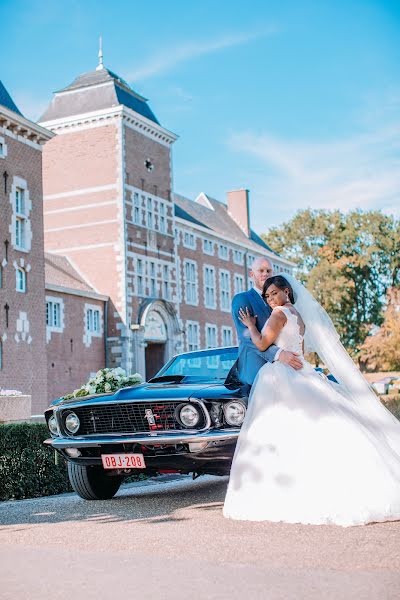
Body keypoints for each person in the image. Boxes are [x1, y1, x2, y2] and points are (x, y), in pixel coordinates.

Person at [223, 274, 400, 526]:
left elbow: (262, 344)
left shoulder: (278, 314)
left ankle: (285, 490)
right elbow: (300, 350)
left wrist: (250, 325)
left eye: (274, 293)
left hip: (283, 375)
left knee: (279, 431)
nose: (271, 299)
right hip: (303, 371)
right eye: (267, 296)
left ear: (286, 291)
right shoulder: (298, 316)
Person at [231, 258, 302, 387]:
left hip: (287, 371)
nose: (265, 274)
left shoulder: (281, 302)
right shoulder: (242, 299)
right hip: (255, 372)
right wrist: (279, 354)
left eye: (269, 271)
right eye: (261, 270)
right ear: (252, 274)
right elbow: (246, 337)